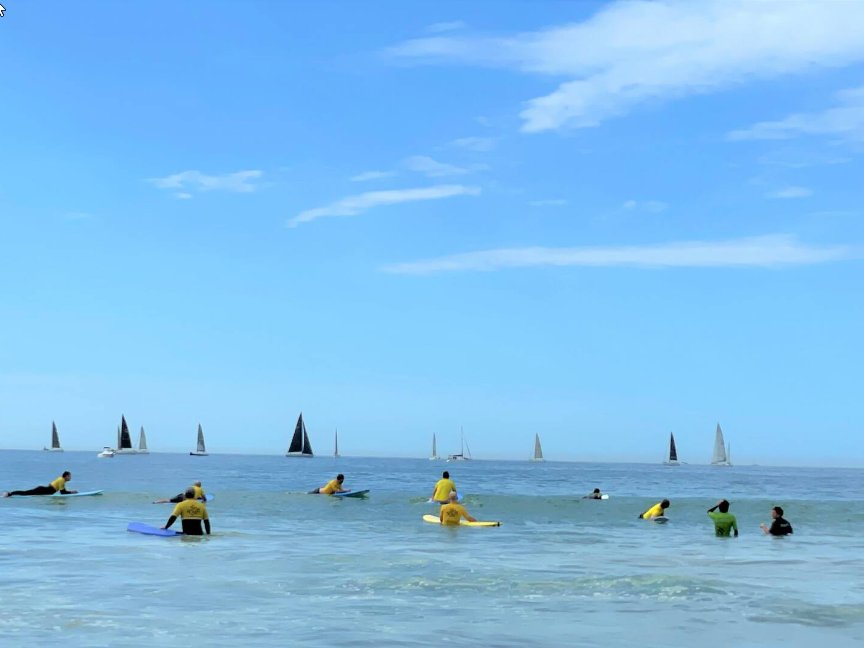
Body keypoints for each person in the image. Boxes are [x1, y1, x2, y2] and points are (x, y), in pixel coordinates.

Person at [3, 471, 77, 497]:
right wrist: (72, 492)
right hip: (42, 490)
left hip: (43, 490)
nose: (70, 477)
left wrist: (70, 492)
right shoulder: (61, 480)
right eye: (69, 476)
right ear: (66, 476)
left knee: (26, 493)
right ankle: (10, 494)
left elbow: (63, 492)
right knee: (25, 493)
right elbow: (63, 493)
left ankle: (10, 493)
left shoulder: (62, 480)